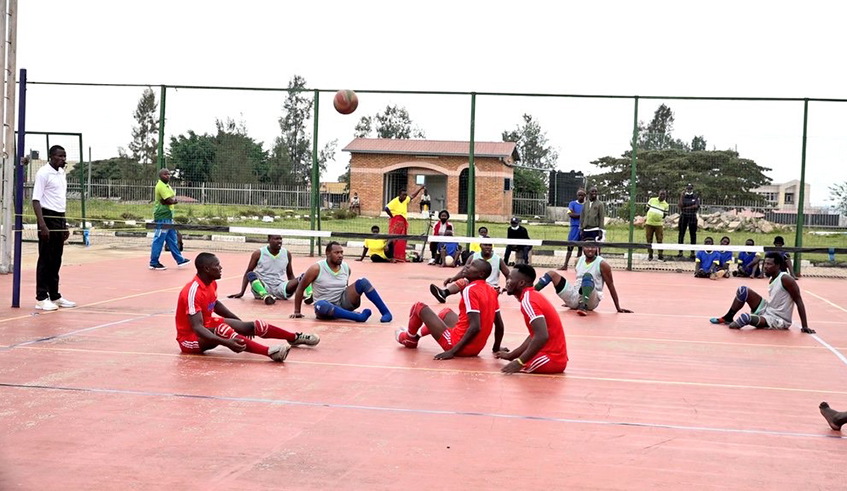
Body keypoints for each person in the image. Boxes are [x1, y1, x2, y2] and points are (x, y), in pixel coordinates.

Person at [175, 253, 320, 362]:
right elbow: (197, 328)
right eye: (217, 265)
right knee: (223, 331)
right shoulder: (192, 291)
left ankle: (294, 337)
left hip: (207, 325)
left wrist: (240, 324)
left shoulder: (211, 283)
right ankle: (270, 352)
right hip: (189, 339)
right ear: (207, 269)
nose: (221, 268)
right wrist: (226, 342)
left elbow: (215, 304)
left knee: (255, 326)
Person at [396, 259, 505, 359]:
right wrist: (496, 348)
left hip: (457, 346)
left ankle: (409, 338)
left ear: (481, 274)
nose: (467, 266)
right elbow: (499, 325)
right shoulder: (491, 291)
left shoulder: (470, 290)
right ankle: (417, 335)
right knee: (445, 313)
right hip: (476, 348)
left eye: (472, 265)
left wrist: (452, 352)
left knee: (418, 307)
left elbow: (475, 327)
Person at [709, 252, 814, 334]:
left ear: (778, 265)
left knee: (744, 318)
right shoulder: (772, 278)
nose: (765, 266)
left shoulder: (786, 279)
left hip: (778, 319)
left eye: (769, 264)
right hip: (767, 309)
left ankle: (751, 320)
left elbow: (799, 301)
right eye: (765, 263)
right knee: (743, 290)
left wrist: (804, 326)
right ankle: (728, 318)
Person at [291, 242, 393, 323]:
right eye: (336, 253)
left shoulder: (345, 267)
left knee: (363, 282)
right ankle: (358, 317)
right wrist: (297, 311)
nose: (340, 255)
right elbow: (300, 288)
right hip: (325, 307)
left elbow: (346, 287)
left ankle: (386, 313)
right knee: (321, 305)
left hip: (343, 302)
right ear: (328, 253)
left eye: (341, 252)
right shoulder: (316, 268)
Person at [494, 264, 568, 374]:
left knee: (508, 374)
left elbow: (541, 336)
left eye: (510, 278)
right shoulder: (532, 296)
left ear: (521, 283)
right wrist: (512, 355)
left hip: (550, 359)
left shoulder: (528, 301)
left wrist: (519, 362)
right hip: (552, 358)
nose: (507, 282)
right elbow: (534, 335)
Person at [31, 146, 76, 311]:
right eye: (60, 156)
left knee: (57, 258)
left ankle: (55, 295)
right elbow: (36, 200)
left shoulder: (61, 173)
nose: (63, 159)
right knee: (45, 258)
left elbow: (60, 200)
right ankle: (41, 298)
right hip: (47, 216)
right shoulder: (43, 173)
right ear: (51, 156)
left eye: (64, 156)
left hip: (60, 217)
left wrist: (64, 224)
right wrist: (42, 225)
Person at [534, 243, 632, 316]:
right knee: (551, 274)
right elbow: (578, 281)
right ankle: (530, 293)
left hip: (591, 300)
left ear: (597, 248)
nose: (590, 249)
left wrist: (618, 307)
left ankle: (583, 305)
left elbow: (610, 285)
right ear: (583, 248)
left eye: (593, 247)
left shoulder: (602, 264)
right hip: (575, 296)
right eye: (587, 246)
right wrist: (569, 298)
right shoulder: (578, 260)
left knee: (587, 276)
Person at [227, 235, 301, 305]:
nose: (279, 241)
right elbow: (248, 272)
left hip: (280, 286)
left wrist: (298, 292)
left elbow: (290, 274)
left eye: (280, 239)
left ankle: (307, 296)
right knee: (251, 274)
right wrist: (242, 292)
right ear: (269, 240)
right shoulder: (258, 253)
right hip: (263, 286)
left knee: (303, 277)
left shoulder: (287, 254)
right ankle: (266, 296)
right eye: (276, 239)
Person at [430, 241, 511, 303]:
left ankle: (474, 299)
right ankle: (444, 293)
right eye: (485, 245)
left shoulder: (498, 259)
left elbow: (508, 274)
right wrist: (453, 278)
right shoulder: (473, 256)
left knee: (486, 295)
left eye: (490, 245)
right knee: (463, 281)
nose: (488, 247)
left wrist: (508, 287)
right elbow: (464, 271)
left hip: (491, 287)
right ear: (480, 245)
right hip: (475, 285)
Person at [149, 168, 191, 271]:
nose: (167, 176)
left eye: (168, 174)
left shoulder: (167, 186)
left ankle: (180, 259)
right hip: (162, 216)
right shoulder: (161, 186)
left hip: (168, 216)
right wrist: (172, 201)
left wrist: (172, 200)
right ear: (160, 176)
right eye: (165, 174)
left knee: (172, 239)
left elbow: (170, 199)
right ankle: (154, 262)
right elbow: (168, 200)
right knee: (159, 239)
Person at [384, 186, 424, 263]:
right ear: (399, 195)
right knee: (393, 238)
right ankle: (392, 256)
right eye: (403, 195)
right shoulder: (395, 201)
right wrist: (392, 216)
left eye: (406, 195)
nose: (405, 196)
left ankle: (400, 256)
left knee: (402, 239)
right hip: (396, 221)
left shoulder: (405, 200)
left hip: (403, 222)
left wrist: (420, 188)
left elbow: (412, 196)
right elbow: (386, 208)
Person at [560, 188, 585, 270]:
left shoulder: (586, 205)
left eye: (582, 195)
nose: (580, 197)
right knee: (570, 245)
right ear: (577, 196)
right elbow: (570, 214)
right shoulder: (572, 203)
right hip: (574, 227)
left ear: (584, 196)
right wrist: (581, 215)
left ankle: (578, 266)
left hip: (583, 227)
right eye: (579, 195)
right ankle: (565, 264)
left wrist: (577, 214)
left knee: (580, 247)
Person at [677, 183, 700, 260]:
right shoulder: (683, 196)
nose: (689, 190)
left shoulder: (695, 196)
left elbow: (696, 206)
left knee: (693, 234)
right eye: (688, 188)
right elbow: (680, 206)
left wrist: (686, 208)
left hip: (692, 216)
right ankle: (680, 252)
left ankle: (692, 253)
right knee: (681, 234)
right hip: (684, 216)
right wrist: (681, 196)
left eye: (690, 188)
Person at [645, 190, 669, 262]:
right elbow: (647, 209)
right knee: (649, 239)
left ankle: (660, 255)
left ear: (665, 196)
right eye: (661, 194)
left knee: (659, 239)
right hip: (649, 223)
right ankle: (650, 254)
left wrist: (658, 217)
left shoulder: (666, 205)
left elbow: (664, 215)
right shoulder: (652, 200)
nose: (662, 196)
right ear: (658, 194)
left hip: (659, 224)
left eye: (664, 195)